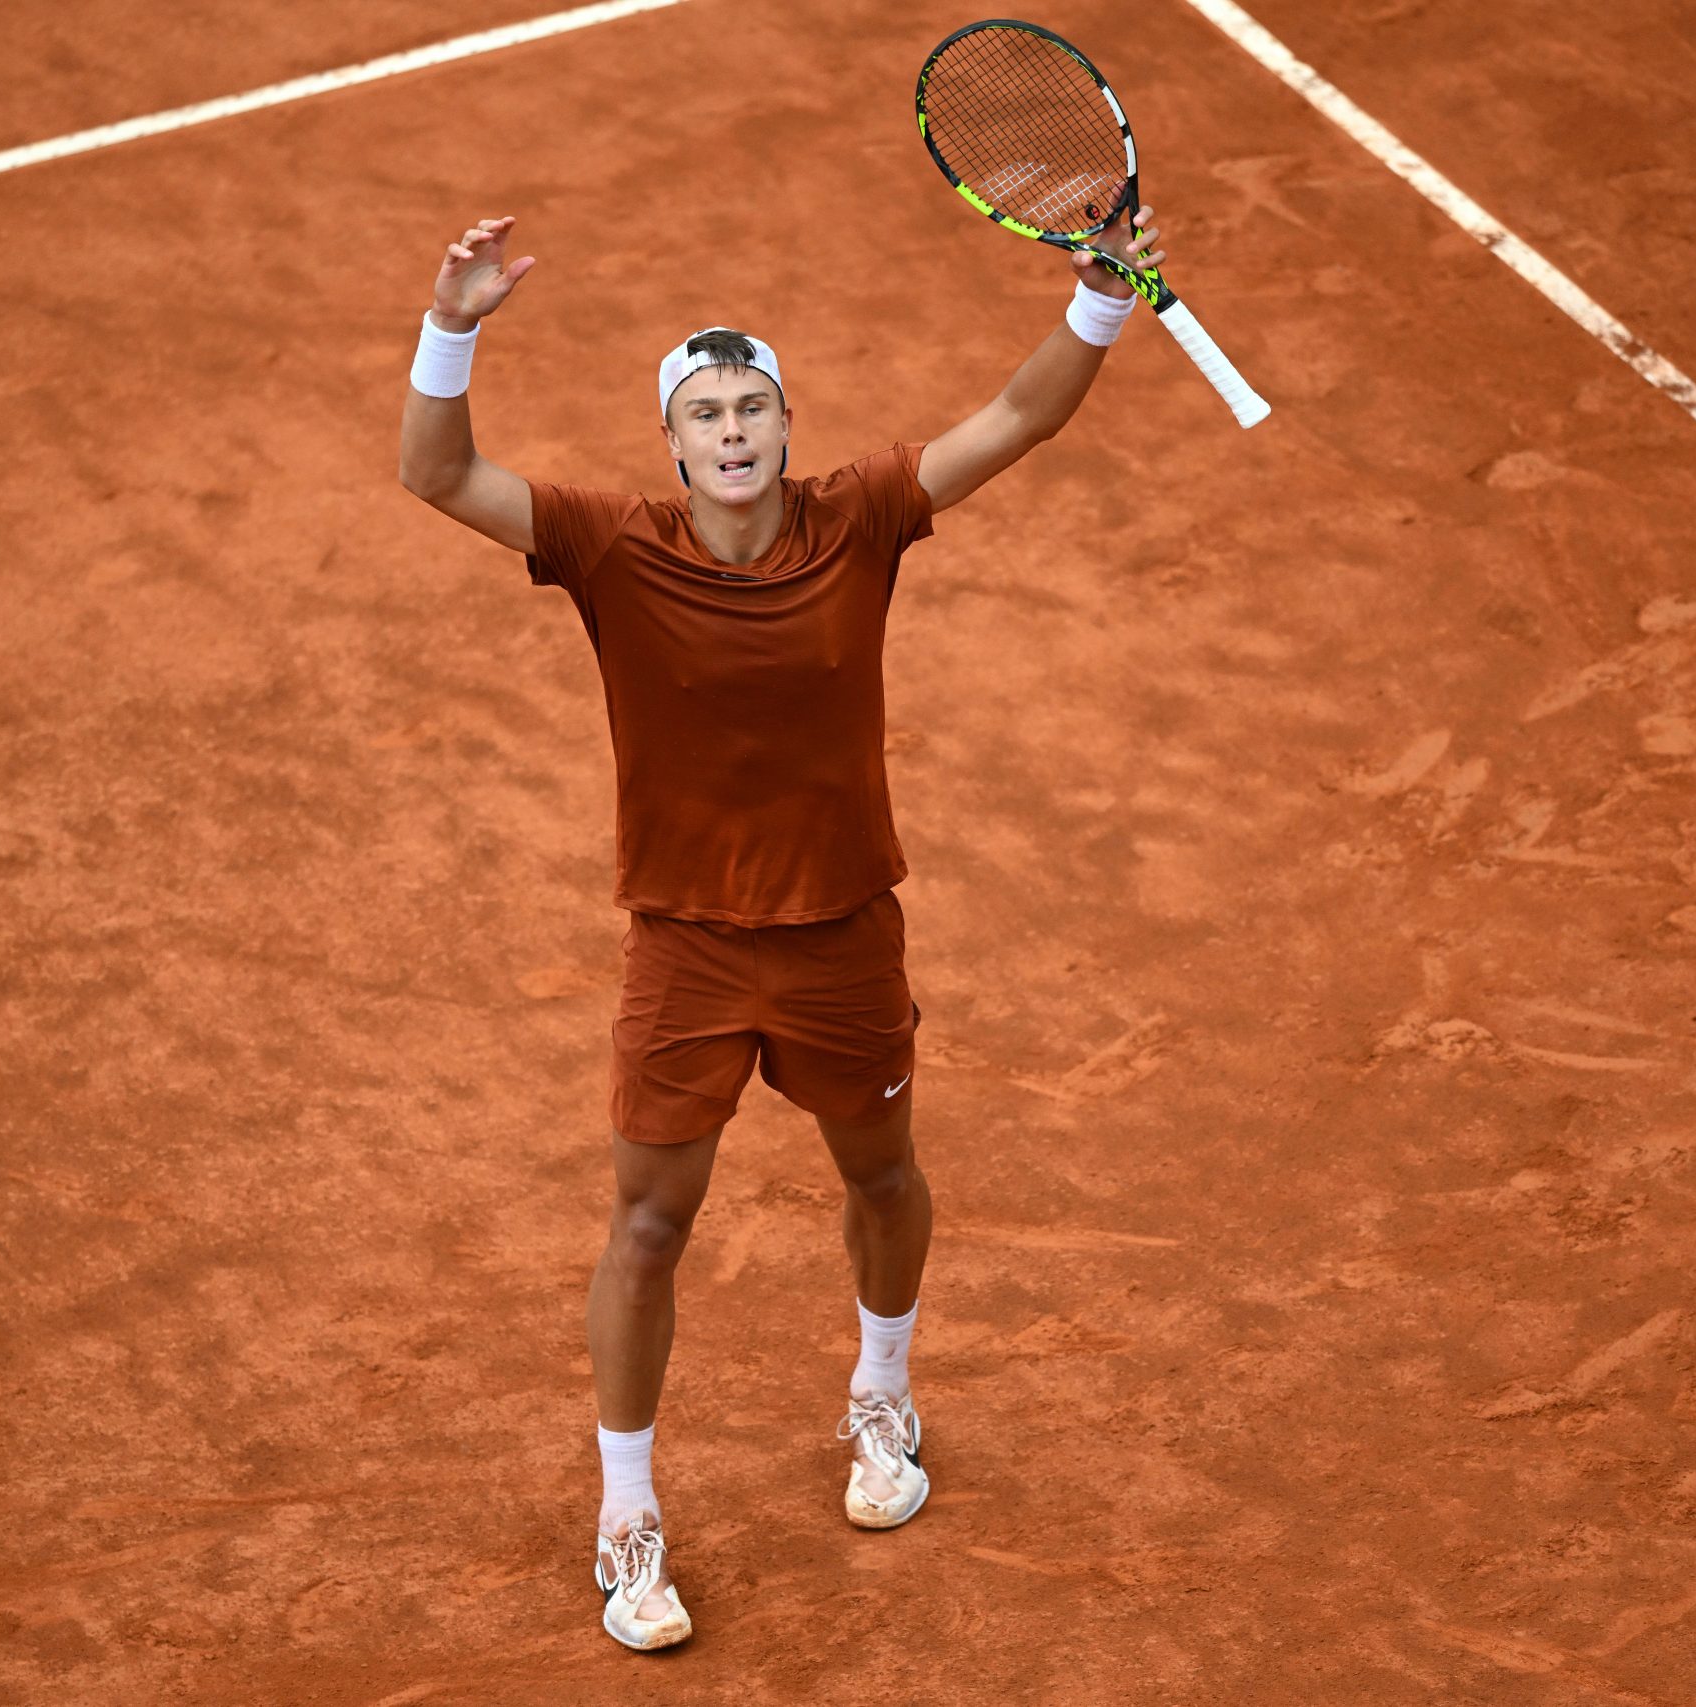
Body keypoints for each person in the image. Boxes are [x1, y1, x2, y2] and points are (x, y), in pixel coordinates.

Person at [396, 204, 1170, 1651]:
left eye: (753, 406)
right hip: (685, 947)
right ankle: (628, 1515)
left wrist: (1100, 302)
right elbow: (434, 472)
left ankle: (882, 1391)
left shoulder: (859, 516)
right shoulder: (608, 545)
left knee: (882, 1178)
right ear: (675, 446)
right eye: (706, 414)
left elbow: (1017, 419)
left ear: (785, 426)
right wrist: (452, 325)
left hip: (841, 937)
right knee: (647, 1225)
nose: (734, 430)